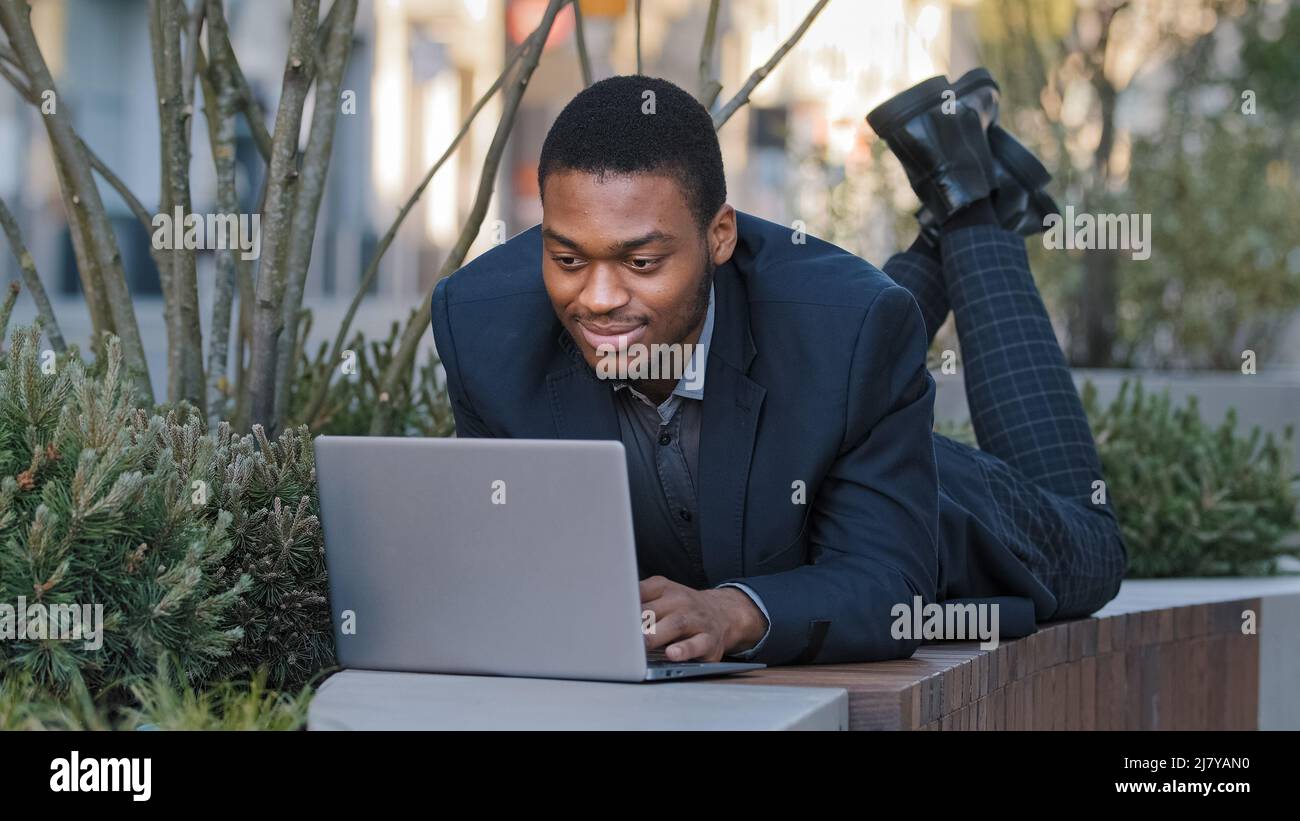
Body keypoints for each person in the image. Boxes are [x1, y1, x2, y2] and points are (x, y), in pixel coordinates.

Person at [429, 72, 1126, 666]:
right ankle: (947, 209)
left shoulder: (847, 330)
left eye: (641, 263)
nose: (600, 298)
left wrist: (734, 613)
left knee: (1093, 551)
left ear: (720, 234)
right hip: (821, 365)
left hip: (876, 504)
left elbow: (885, 577)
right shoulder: (482, 326)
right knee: (836, 329)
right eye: (568, 258)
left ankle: (971, 202)